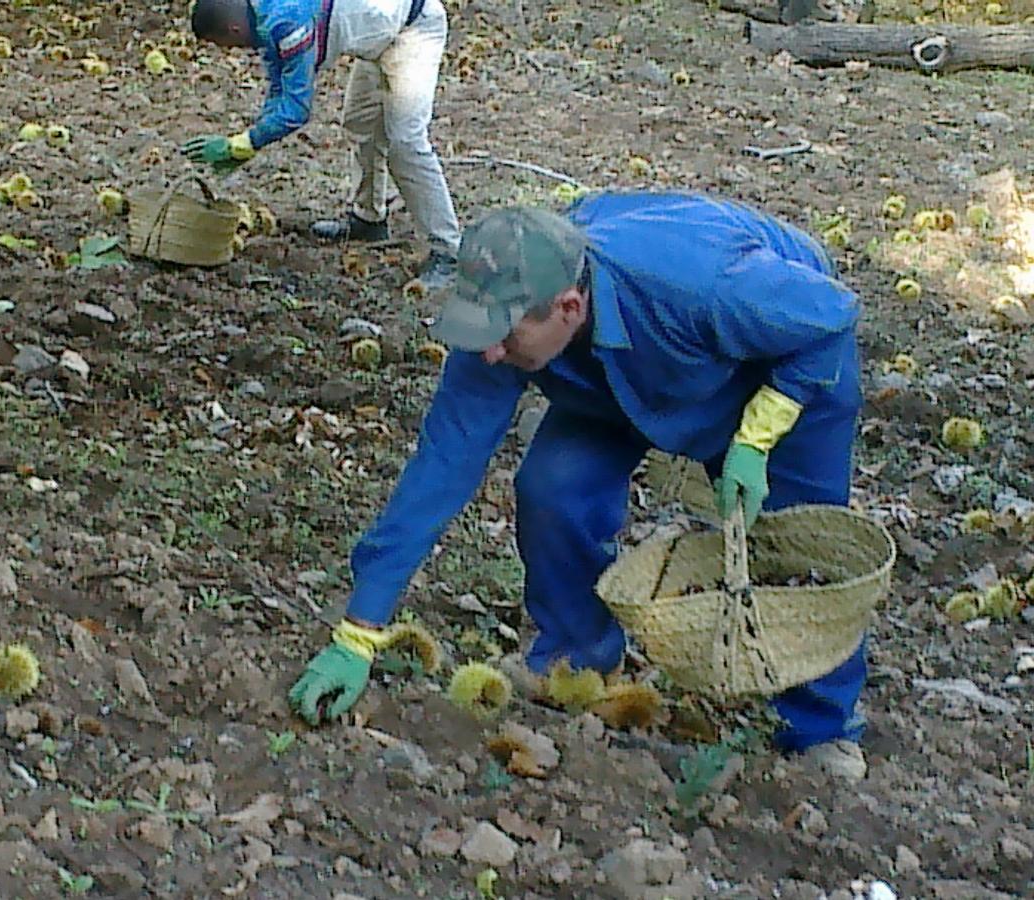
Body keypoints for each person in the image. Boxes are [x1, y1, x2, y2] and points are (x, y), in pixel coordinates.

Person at [287, 189, 870, 780]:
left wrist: (756, 436)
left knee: (795, 543)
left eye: (506, 336)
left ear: (567, 308)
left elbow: (828, 318)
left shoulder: (705, 287)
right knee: (554, 489)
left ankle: (820, 725)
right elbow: (442, 466)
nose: (488, 352)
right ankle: (577, 657)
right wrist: (360, 630)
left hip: (781, 355)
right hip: (616, 369)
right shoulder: (504, 314)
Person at [183, 0, 460, 289]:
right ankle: (368, 220)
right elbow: (281, 85)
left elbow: (296, 109)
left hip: (413, 29)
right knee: (360, 123)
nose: (231, 50)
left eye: (225, 44)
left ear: (233, 28)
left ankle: (448, 252)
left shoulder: (287, 22)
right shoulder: (263, 15)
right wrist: (247, 143)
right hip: (380, 38)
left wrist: (241, 144)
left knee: (405, 143)